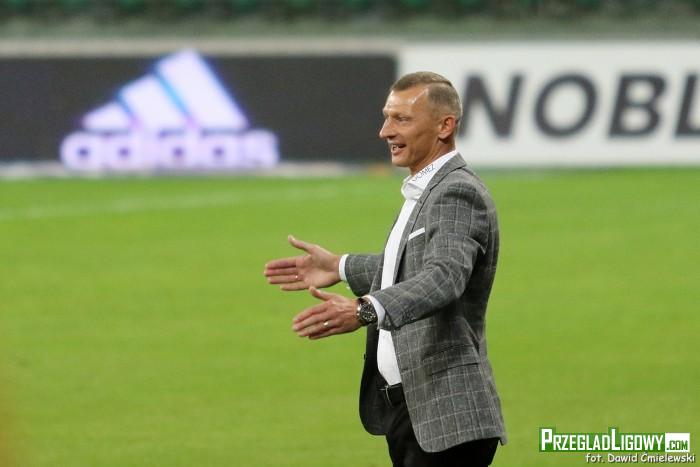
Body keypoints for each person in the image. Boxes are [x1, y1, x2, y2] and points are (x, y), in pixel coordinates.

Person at [264, 71, 506, 467]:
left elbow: (444, 276)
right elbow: (410, 265)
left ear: (445, 126)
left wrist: (365, 309)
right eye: (386, 117)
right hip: (413, 409)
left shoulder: (456, 192)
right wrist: (340, 266)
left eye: (401, 119)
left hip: (446, 414)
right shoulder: (425, 190)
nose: (385, 131)